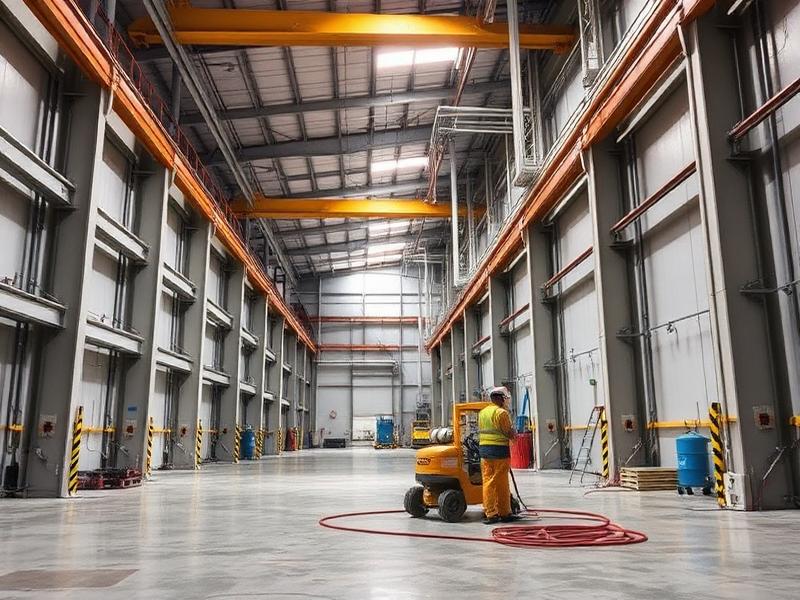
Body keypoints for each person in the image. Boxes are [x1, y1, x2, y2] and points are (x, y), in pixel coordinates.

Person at [478, 386, 517, 524]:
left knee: (488, 481)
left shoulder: (482, 413)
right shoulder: (501, 413)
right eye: (505, 399)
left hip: (484, 452)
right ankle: (504, 513)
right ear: (501, 399)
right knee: (501, 482)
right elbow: (509, 432)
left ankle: (491, 513)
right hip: (499, 451)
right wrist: (514, 435)